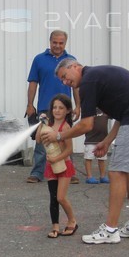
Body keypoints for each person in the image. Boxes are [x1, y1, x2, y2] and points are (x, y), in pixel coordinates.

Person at [42, 58, 129, 244]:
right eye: (62, 81)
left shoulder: (89, 81)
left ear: (75, 67)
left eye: (65, 77)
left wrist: (59, 137)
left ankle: (110, 229)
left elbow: (86, 124)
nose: (65, 82)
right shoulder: (98, 76)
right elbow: (121, 114)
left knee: (116, 171)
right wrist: (107, 141)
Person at [25, 30, 80, 184]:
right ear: (50, 42)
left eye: (61, 43)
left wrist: (78, 106)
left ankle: (70, 172)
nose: (57, 45)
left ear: (65, 43)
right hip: (45, 108)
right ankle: (37, 173)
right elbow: (33, 83)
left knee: (66, 139)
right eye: (54, 42)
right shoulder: (39, 59)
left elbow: (76, 86)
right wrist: (30, 105)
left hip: (66, 108)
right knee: (43, 141)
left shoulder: (71, 60)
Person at [36, 94, 77, 238]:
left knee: (60, 197)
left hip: (64, 166)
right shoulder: (48, 125)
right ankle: (55, 226)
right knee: (53, 197)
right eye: (54, 107)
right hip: (51, 166)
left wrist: (56, 158)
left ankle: (72, 221)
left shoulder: (66, 127)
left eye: (61, 108)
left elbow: (69, 150)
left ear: (67, 111)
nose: (57, 110)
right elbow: (38, 140)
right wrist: (41, 124)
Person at [84, 109, 110, 184]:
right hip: (90, 139)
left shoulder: (105, 109)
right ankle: (89, 176)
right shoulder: (89, 110)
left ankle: (102, 176)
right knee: (88, 158)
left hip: (102, 140)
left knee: (102, 159)